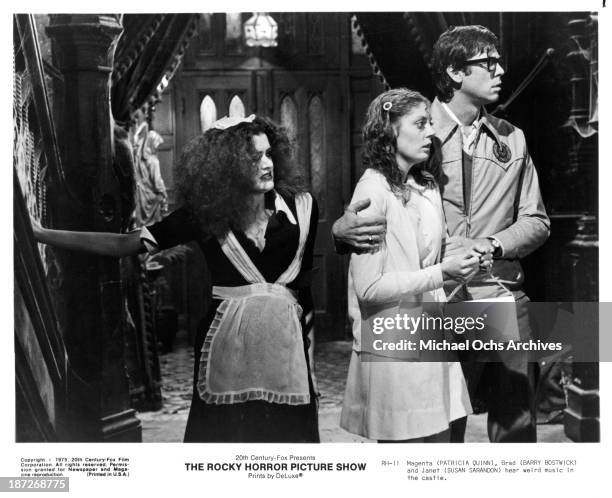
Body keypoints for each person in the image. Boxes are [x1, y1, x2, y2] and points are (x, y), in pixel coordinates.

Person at [33, 115, 320, 443]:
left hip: (287, 352)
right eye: (254, 158)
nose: (266, 164)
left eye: (268, 154)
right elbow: (122, 244)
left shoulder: (302, 209)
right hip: (228, 351)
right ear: (226, 166)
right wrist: (42, 234)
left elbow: (304, 293)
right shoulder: (203, 216)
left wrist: (310, 366)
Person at [334, 25, 550, 443]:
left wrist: (493, 243)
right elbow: (374, 207)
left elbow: (537, 221)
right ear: (454, 72)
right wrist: (340, 234)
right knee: (435, 433)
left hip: (500, 294)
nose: (500, 70)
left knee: (516, 432)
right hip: (436, 304)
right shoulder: (414, 129)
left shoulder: (513, 138)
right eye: (488, 63)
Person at [339, 88, 476, 442]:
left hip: (433, 335)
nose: (431, 131)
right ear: (389, 132)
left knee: (447, 448)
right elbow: (369, 290)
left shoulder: (425, 185)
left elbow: (434, 253)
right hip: (395, 349)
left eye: (431, 122)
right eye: (420, 123)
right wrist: (441, 273)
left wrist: (466, 258)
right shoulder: (371, 192)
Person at [133, 130, 168, 226]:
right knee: (154, 225)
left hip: (142, 195)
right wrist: (164, 193)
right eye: (157, 145)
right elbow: (157, 183)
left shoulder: (140, 158)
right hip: (152, 196)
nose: (157, 148)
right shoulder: (153, 161)